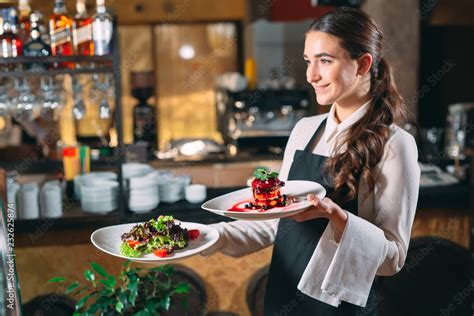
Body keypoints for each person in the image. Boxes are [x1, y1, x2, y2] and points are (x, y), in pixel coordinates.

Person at [203, 7, 420, 315]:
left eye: (325, 61)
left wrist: (339, 218)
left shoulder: (395, 145)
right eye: (308, 60)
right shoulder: (304, 130)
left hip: (340, 305)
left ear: (363, 64)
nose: (310, 75)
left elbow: (393, 259)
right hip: (284, 295)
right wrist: (205, 236)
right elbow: (275, 224)